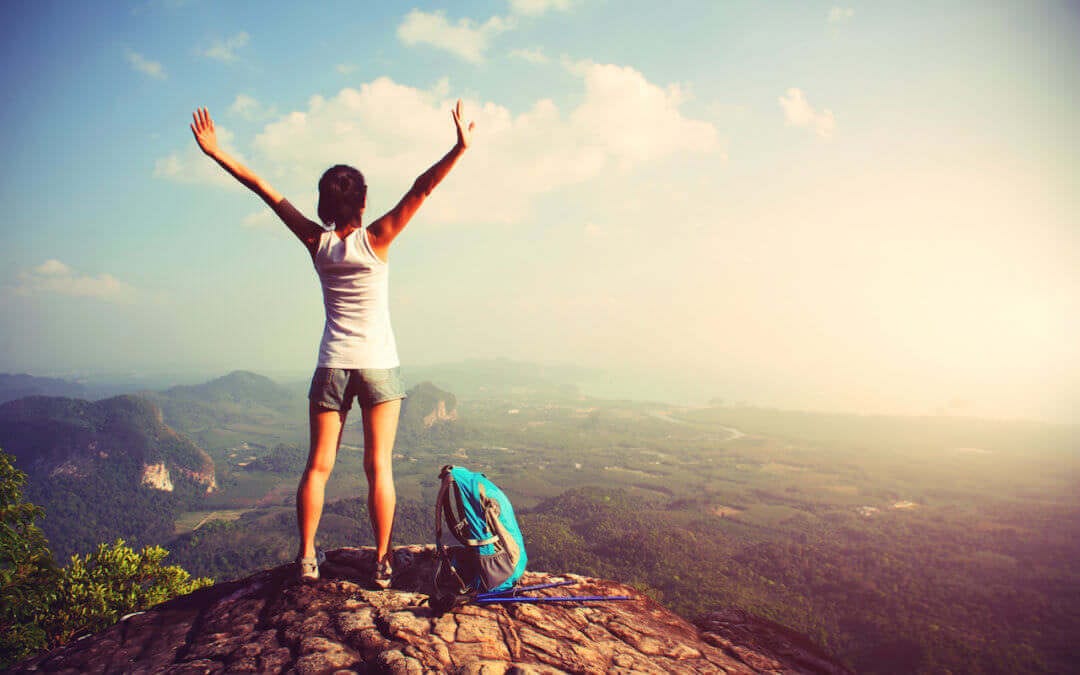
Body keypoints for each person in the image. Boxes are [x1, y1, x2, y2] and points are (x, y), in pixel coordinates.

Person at [191, 100, 475, 587]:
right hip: (379, 365)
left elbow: (263, 189)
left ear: (325, 206)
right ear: (363, 203)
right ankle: (383, 563)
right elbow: (421, 189)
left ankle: (306, 559)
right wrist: (459, 148)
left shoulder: (315, 242)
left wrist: (216, 151)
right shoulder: (379, 237)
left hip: (332, 364)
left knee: (318, 467)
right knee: (378, 466)